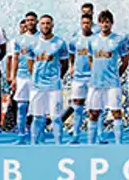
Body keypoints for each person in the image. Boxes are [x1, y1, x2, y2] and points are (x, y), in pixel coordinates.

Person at [86, 9, 129, 144]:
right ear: (98, 23)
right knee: (94, 113)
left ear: (112, 23)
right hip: (96, 83)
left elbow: (125, 60)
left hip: (112, 83)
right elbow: (90, 58)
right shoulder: (92, 40)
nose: (105, 25)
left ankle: (118, 143)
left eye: (108, 22)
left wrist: (118, 74)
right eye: (102, 22)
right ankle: (90, 143)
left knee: (116, 112)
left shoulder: (118, 39)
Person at [26, 14, 70, 144]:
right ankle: (34, 143)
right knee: (38, 117)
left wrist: (57, 77)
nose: (45, 26)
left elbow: (65, 64)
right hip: (37, 87)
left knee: (56, 117)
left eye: (48, 23)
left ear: (52, 25)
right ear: (39, 25)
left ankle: (58, 144)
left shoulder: (60, 43)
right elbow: (30, 65)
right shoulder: (33, 43)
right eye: (43, 23)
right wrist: (36, 77)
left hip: (53, 87)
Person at [10, 13, 39, 144]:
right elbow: (15, 58)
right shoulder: (18, 40)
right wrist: (13, 77)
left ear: (36, 21)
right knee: (21, 107)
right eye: (28, 20)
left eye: (32, 20)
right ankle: (21, 135)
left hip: (38, 78)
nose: (30, 22)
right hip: (21, 77)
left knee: (37, 109)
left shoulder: (42, 38)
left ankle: (36, 135)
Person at [67, 14, 96, 143]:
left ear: (91, 24)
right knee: (77, 106)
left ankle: (95, 136)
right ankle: (76, 135)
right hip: (78, 77)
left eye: (88, 23)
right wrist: (72, 66)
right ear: (80, 23)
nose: (86, 25)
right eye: (84, 22)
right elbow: (71, 54)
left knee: (94, 108)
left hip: (92, 77)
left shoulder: (96, 39)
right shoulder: (75, 40)